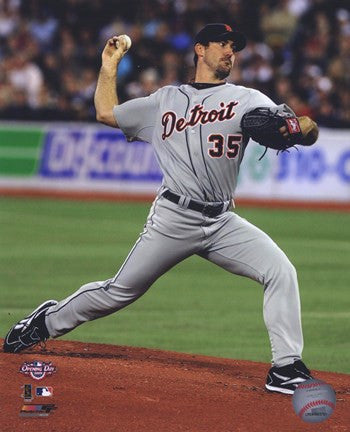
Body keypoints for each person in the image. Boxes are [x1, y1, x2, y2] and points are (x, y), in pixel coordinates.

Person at [4, 23, 318, 395]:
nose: (230, 51)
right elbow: (106, 112)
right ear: (199, 49)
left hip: (221, 221)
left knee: (280, 270)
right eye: (222, 43)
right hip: (174, 217)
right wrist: (109, 67)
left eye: (235, 46)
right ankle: (43, 325)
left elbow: (299, 130)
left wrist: (303, 128)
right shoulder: (165, 100)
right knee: (118, 292)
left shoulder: (249, 98)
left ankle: (285, 367)